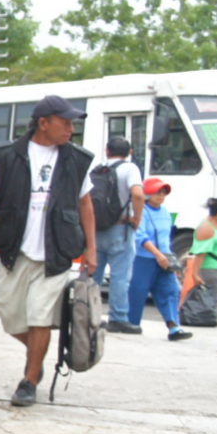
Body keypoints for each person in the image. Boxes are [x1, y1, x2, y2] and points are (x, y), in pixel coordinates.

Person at [0, 95, 97, 407]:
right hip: (13, 250)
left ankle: (29, 380)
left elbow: (85, 203)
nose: (71, 129)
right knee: (10, 315)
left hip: (56, 254)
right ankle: (37, 353)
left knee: (39, 317)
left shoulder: (77, 160)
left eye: (73, 123)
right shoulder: (8, 157)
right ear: (43, 123)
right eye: (65, 122)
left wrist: (91, 248)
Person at [91, 136, 144, 334]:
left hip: (97, 227)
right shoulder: (130, 169)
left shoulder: (98, 169)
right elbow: (138, 194)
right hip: (121, 228)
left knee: (93, 276)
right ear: (129, 152)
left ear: (106, 150)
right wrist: (137, 217)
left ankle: (89, 315)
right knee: (120, 277)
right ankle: (118, 318)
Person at [128, 179, 192, 340]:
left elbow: (165, 237)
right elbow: (139, 236)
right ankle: (131, 324)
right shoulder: (140, 211)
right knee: (137, 293)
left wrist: (166, 256)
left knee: (170, 291)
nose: (162, 195)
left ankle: (174, 328)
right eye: (158, 192)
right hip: (144, 259)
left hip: (164, 260)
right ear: (148, 194)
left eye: (164, 192)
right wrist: (157, 254)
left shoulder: (165, 212)